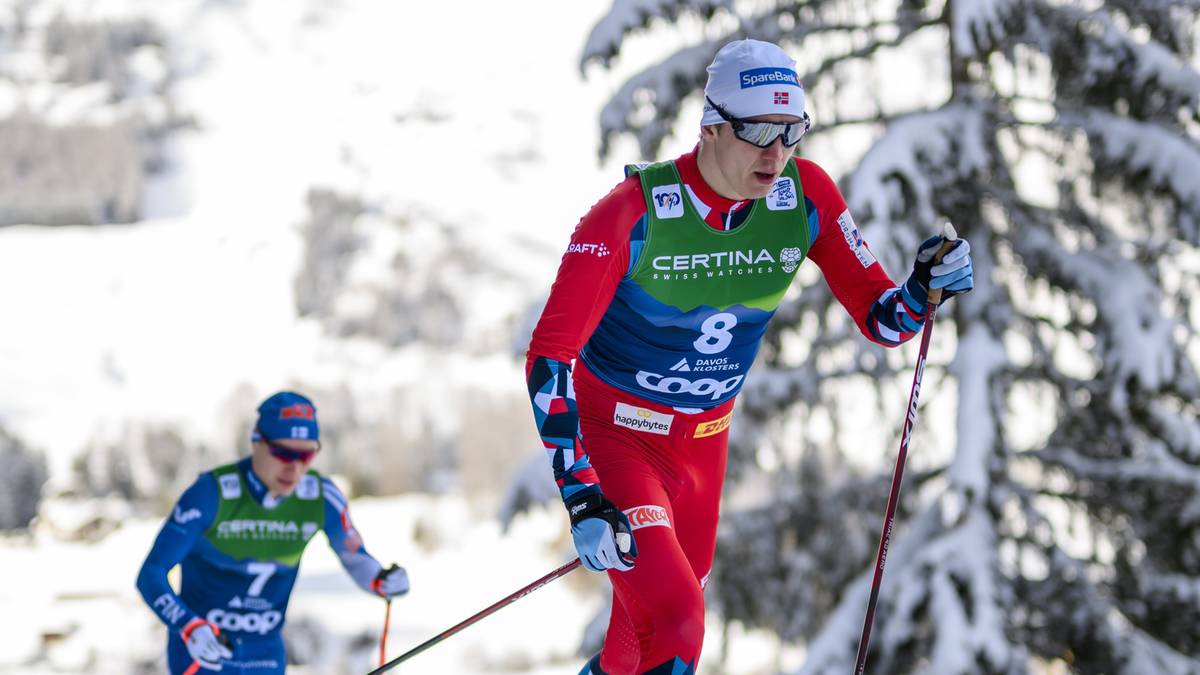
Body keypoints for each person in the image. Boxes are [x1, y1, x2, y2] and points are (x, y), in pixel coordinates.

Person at [525, 38, 973, 675]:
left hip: (703, 449)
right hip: (617, 440)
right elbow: (548, 358)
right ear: (710, 126)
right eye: (758, 129)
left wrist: (924, 290)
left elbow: (883, 318)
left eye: (792, 131)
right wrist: (582, 493)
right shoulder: (630, 217)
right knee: (679, 623)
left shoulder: (804, 198)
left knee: (636, 642)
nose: (776, 152)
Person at [136, 391, 410, 674]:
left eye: (306, 455)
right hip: (204, 652)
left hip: (265, 656)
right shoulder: (211, 493)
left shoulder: (320, 496)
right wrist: (188, 625)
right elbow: (151, 574)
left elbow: (356, 559)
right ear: (257, 442)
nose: (294, 467)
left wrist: (381, 580)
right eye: (283, 453)